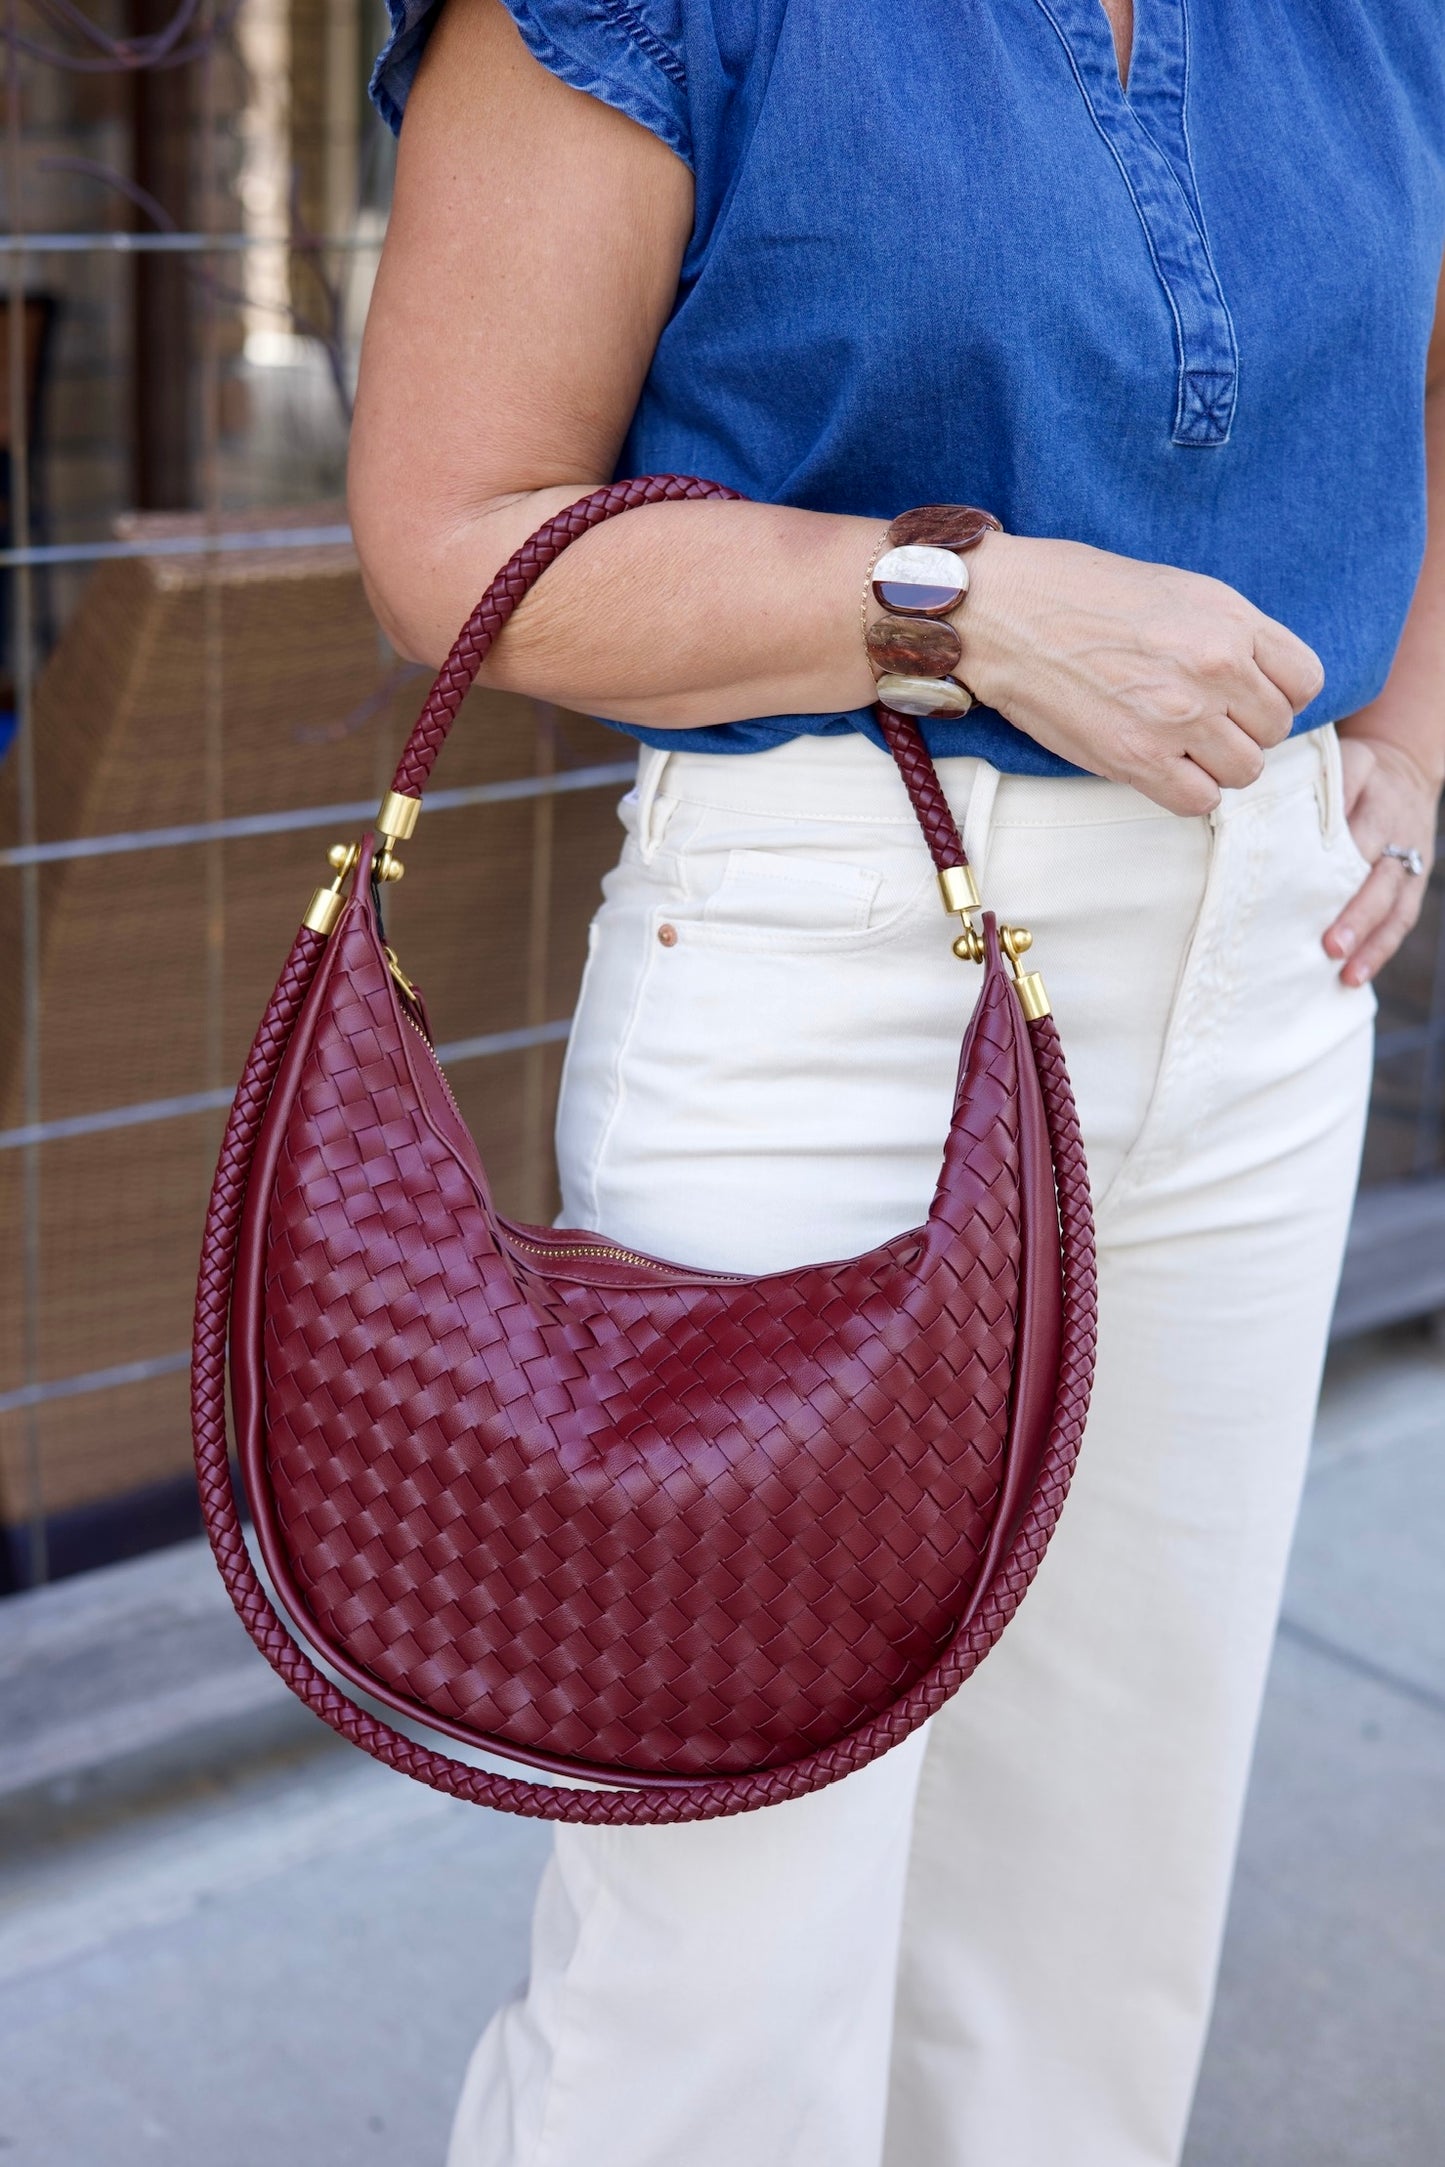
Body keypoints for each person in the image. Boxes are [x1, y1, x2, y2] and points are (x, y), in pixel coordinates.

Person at [348, 1, 1445, 2160]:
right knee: (714, 1987)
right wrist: (956, 602)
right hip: (827, 989)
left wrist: (1406, 753)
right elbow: (454, 530)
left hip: (1260, 987)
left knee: (1085, 1956)